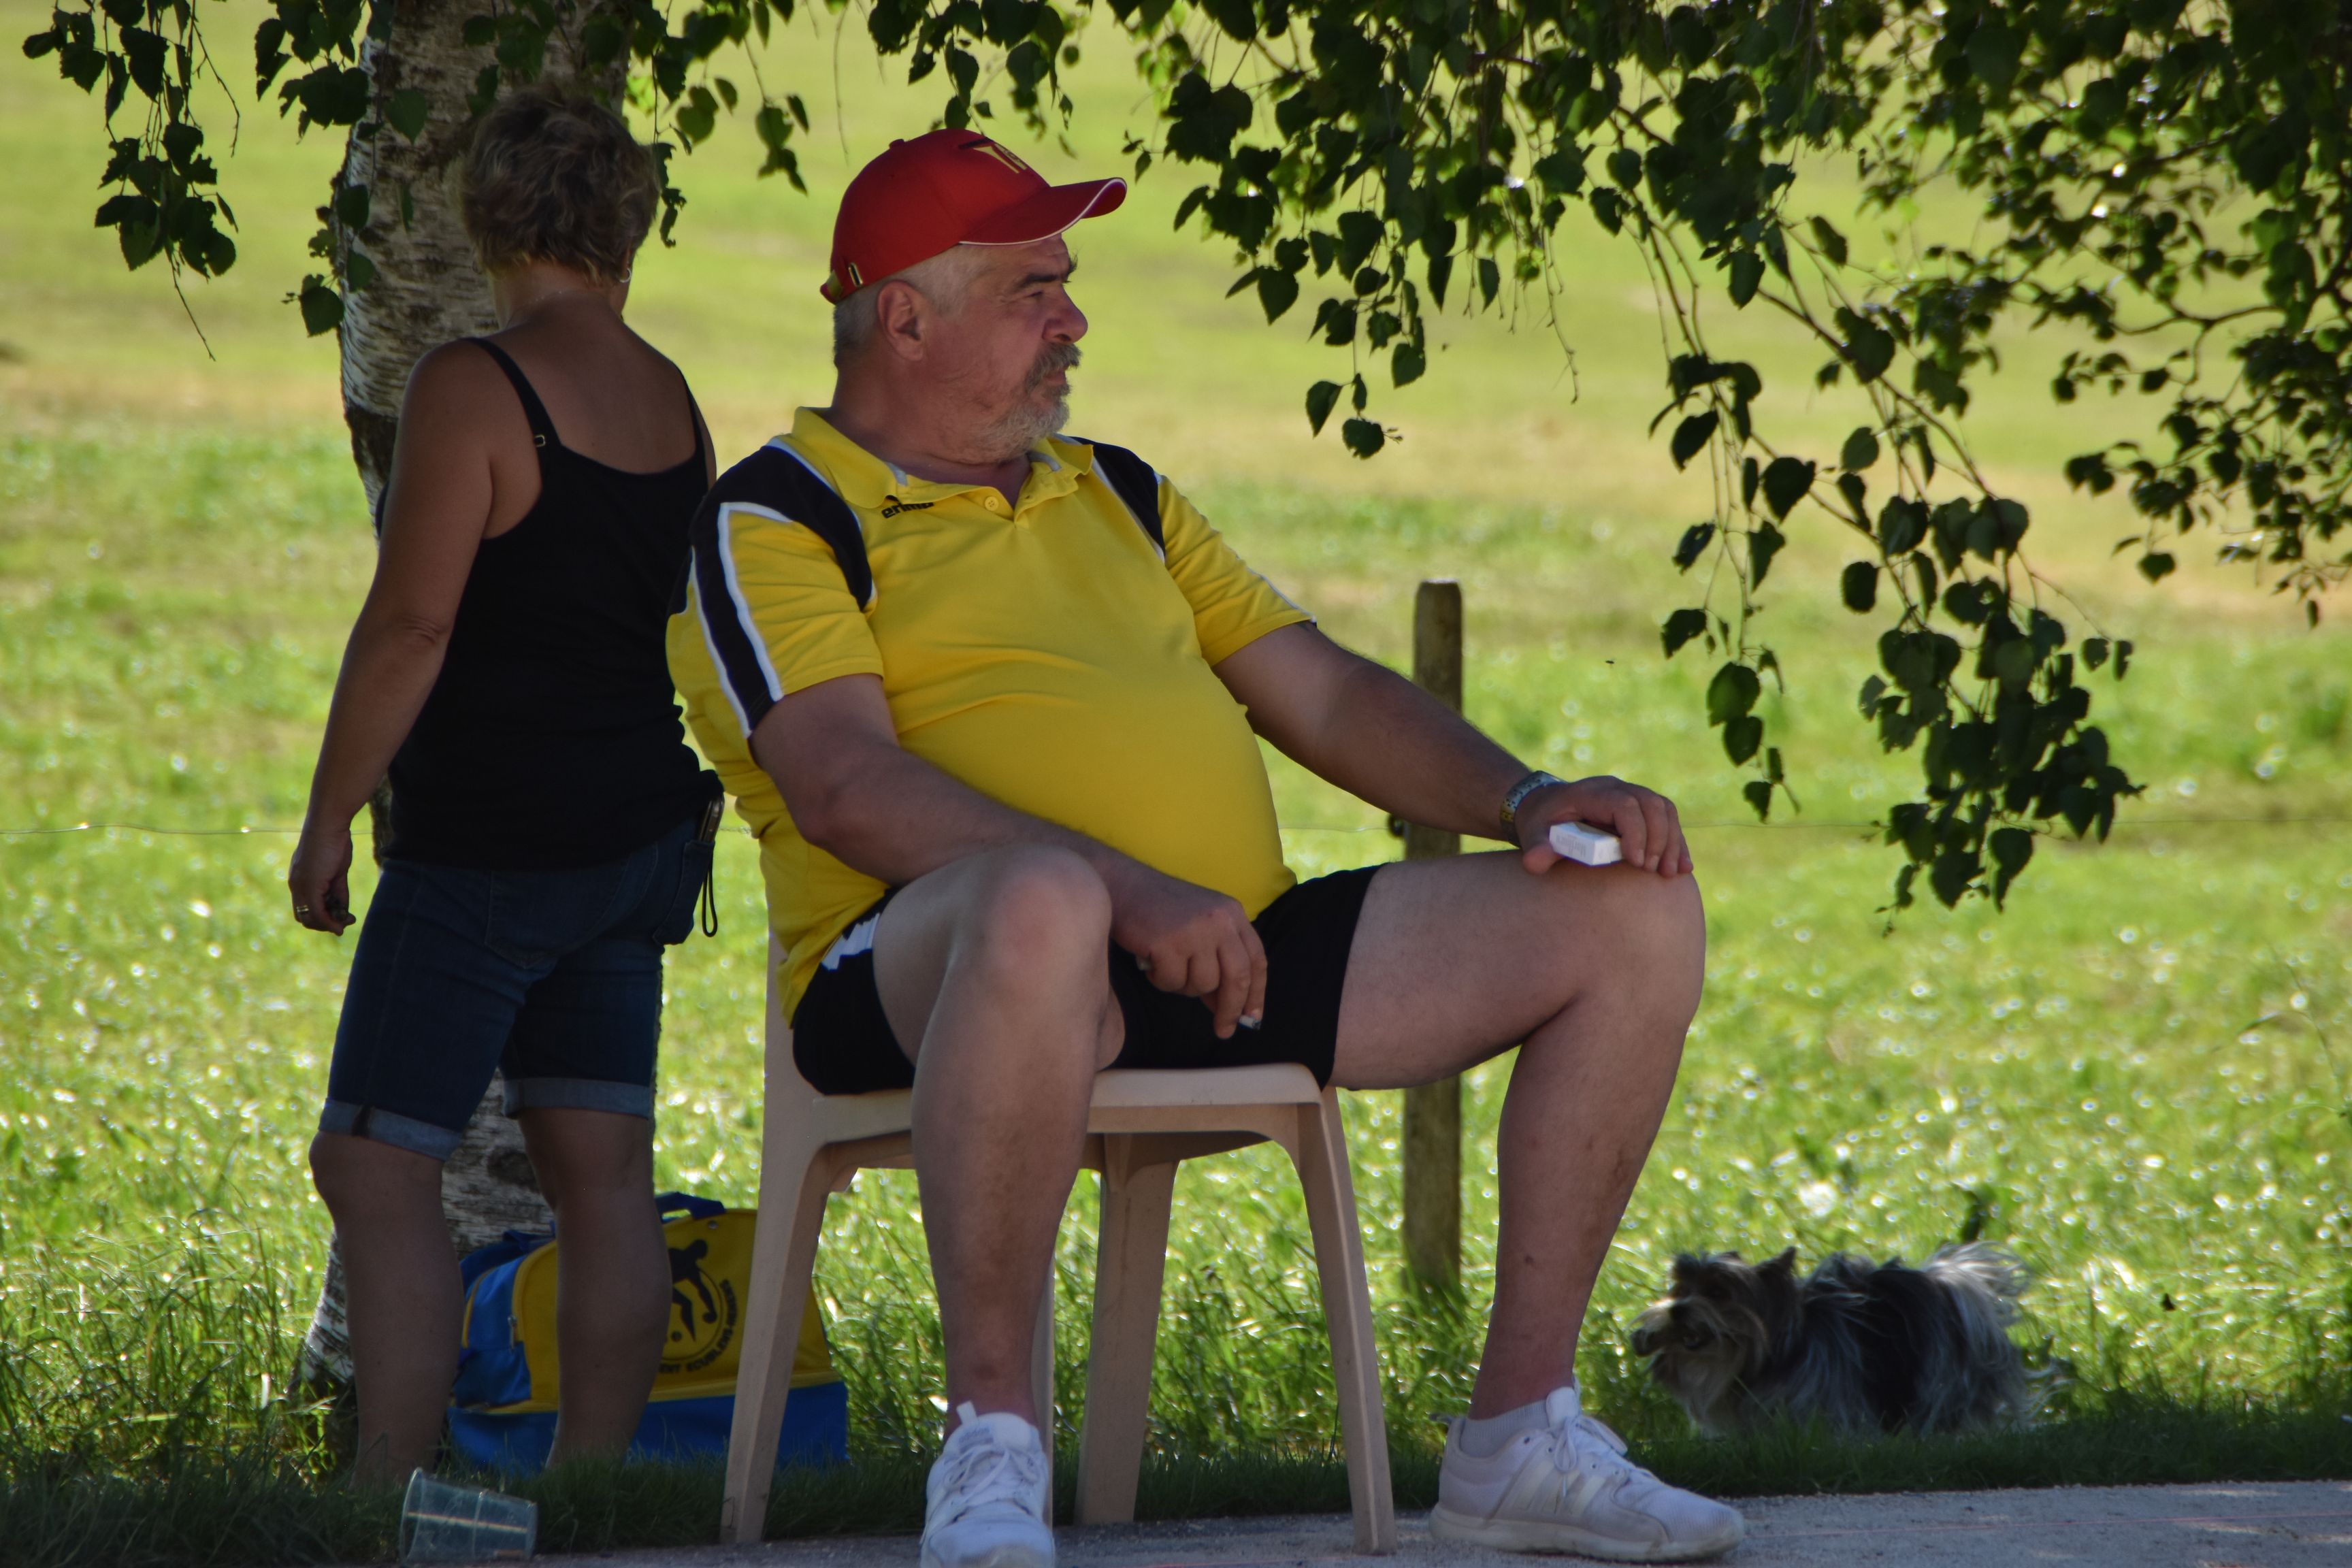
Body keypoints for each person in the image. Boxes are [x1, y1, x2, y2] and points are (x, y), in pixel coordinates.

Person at [669, 129, 1744, 1565]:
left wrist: (1526, 796)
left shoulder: (1114, 488)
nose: (1073, 319)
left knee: (1631, 906)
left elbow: (1326, 695)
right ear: (905, 319)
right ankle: (990, 1450)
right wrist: (1126, 891)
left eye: (1067, 284)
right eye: (1033, 290)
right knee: (1043, 901)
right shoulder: (776, 515)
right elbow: (847, 788)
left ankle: (1518, 1438)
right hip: (931, 968)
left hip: (1219, 950)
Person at [287, 84, 723, 1484]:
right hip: (636, 837)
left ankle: (386, 1492)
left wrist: (329, 816)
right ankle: (591, 1494)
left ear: (485, 215)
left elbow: (411, 629)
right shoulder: (672, 398)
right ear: (628, 222)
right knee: (604, 1182)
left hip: (490, 844)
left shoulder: (475, 387)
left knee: (373, 1163)